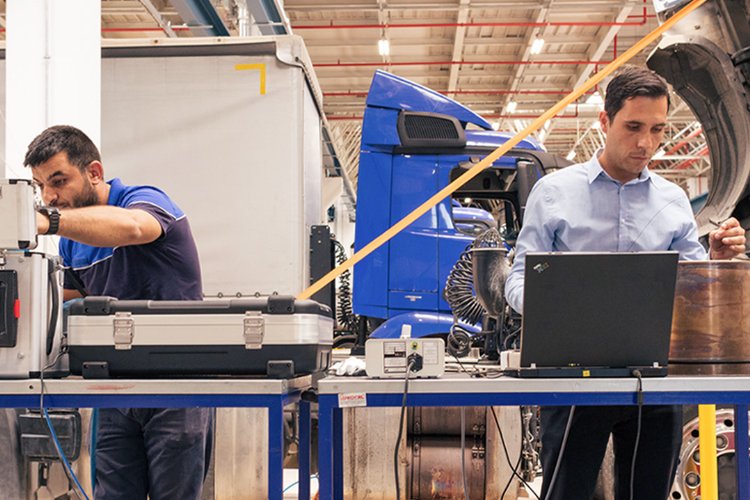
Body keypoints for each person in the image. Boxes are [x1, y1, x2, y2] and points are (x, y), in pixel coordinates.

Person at [505, 65, 746, 500]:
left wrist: (717, 261)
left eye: (657, 130)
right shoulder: (554, 192)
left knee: (647, 492)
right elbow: (518, 278)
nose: (645, 143)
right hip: (574, 377)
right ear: (604, 121)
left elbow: (691, 291)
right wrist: (554, 311)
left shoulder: (672, 200)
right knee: (567, 493)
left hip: (654, 380)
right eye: (633, 126)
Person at [25, 125, 213, 500]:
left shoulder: (143, 200)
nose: (49, 196)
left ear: (94, 172)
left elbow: (131, 228)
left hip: (175, 387)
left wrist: (50, 222)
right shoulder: (74, 244)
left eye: (58, 181)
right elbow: (52, 298)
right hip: (114, 389)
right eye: (41, 186)